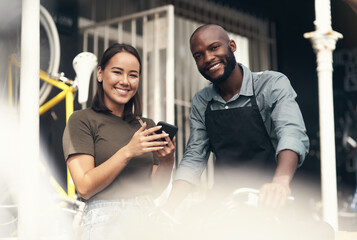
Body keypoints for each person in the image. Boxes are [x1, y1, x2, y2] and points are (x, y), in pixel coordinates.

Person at [165, 24, 310, 212]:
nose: (208, 58)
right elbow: (194, 157)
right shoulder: (202, 101)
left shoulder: (271, 84)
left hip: (273, 197)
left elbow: (291, 133)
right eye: (198, 56)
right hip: (226, 203)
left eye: (214, 47)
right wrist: (167, 208)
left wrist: (280, 183)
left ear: (232, 46)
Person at [62, 43, 176, 240]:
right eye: (117, 72)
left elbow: (154, 190)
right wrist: (128, 151)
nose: (125, 81)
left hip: (146, 221)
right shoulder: (82, 120)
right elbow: (85, 187)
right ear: (100, 73)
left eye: (133, 75)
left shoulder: (145, 125)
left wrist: (167, 161)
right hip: (105, 224)